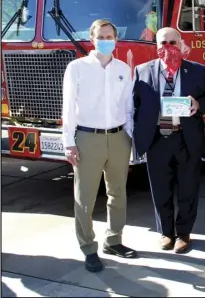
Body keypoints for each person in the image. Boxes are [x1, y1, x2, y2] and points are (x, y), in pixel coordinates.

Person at [132, 27, 205, 254]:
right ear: (156, 45)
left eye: (172, 42)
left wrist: (199, 105)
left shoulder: (197, 71)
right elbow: (134, 105)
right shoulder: (142, 71)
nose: (168, 47)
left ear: (180, 43)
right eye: (163, 43)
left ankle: (184, 233)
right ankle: (165, 232)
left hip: (186, 138)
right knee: (160, 190)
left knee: (188, 189)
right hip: (157, 139)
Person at [62, 19, 137, 273]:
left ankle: (114, 240)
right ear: (92, 39)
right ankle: (88, 248)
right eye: (102, 36)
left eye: (111, 37)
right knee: (85, 197)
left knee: (118, 193)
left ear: (116, 39)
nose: (107, 41)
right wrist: (68, 143)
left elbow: (128, 107)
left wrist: (130, 137)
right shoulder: (77, 68)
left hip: (118, 138)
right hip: (87, 138)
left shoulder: (123, 69)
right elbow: (69, 108)